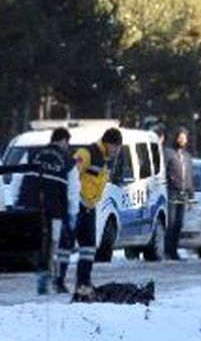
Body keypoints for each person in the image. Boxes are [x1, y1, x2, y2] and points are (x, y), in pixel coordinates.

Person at [16, 128, 80, 295]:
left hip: (30, 208)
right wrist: (73, 213)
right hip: (55, 210)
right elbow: (73, 191)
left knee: (37, 243)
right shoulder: (68, 161)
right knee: (53, 245)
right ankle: (49, 278)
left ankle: (41, 275)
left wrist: (15, 202)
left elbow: (17, 178)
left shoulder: (32, 154)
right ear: (64, 141)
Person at [69, 127, 123, 302]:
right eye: (116, 147)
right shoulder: (87, 153)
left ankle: (83, 284)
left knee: (89, 248)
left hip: (89, 207)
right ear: (107, 143)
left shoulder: (106, 159)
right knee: (69, 245)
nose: (117, 151)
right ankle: (65, 282)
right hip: (78, 205)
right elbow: (71, 173)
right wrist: (74, 199)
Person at [163, 126, 194, 260]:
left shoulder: (187, 156)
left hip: (183, 193)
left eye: (184, 138)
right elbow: (163, 171)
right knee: (170, 223)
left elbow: (189, 177)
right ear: (176, 138)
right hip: (171, 192)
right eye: (180, 137)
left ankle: (173, 251)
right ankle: (166, 251)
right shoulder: (168, 153)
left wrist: (191, 195)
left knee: (179, 224)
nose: (182, 140)